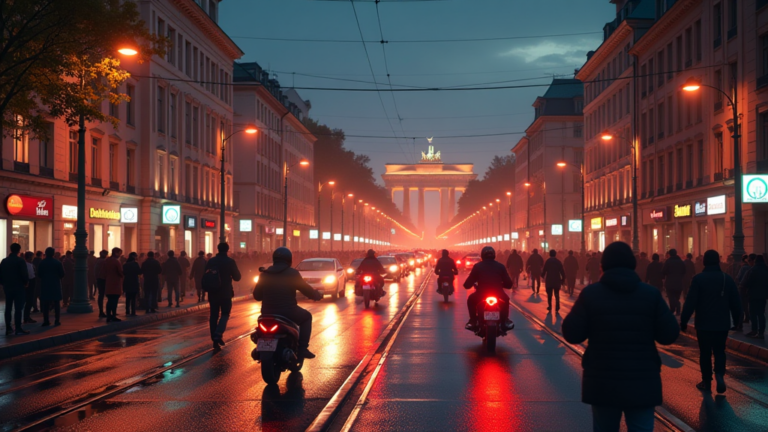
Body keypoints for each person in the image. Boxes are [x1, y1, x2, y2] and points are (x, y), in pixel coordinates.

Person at [562, 241, 679, 432]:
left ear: (602, 266)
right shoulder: (651, 295)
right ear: (633, 266)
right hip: (643, 381)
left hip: (602, 381)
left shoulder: (591, 294)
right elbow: (669, 334)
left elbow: (571, 333)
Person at [681, 250, 742, 394]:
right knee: (720, 351)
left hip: (703, 323)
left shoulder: (698, 279)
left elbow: (690, 302)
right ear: (718, 262)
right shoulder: (727, 279)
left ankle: (706, 381)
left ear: (704, 262)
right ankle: (719, 374)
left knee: (705, 353)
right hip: (722, 323)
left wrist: (684, 321)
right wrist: (737, 320)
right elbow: (736, 302)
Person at [254, 247, 322, 358]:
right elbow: (305, 289)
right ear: (289, 259)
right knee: (306, 317)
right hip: (288, 311)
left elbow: (257, 296)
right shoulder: (292, 273)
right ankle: (303, 348)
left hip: (266, 313)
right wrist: (316, 295)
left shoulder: (264, 274)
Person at [463, 246, 514, 331]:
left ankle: (473, 320)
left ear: (482, 255)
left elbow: (467, 284)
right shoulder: (500, 266)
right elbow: (509, 284)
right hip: (498, 293)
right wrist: (502, 285)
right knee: (506, 300)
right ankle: (505, 321)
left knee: (471, 300)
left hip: (481, 293)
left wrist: (468, 285)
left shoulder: (478, 266)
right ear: (494, 255)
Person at [205, 243, 242, 350]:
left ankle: (214, 340)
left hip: (213, 292)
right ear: (227, 249)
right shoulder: (230, 261)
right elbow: (237, 277)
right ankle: (218, 333)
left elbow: (205, 274)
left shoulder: (211, 261)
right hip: (225, 292)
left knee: (213, 315)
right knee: (225, 314)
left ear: (217, 249)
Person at [1, 243, 31, 335]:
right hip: (19, 287)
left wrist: (4, 284)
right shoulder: (20, 261)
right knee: (18, 308)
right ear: (19, 250)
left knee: (8, 308)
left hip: (8, 287)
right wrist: (26, 283)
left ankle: (8, 328)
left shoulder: (4, 261)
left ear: (10, 250)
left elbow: (1, 274)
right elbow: (24, 274)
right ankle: (18, 328)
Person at [740, 254, 768, 339]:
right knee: (761, 314)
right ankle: (761, 332)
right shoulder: (766, 269)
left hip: (753, 295)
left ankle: (754, 330)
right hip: (763, 295)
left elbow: (747, 282)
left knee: (753, 313)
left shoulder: (753, 270)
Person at [37, 247, 64, 326]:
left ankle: (46, 320)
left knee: (46, 304)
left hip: (45, 284)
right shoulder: (57, 262)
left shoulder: (42, 262)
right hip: (55, 284)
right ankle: (57, 320)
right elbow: (62, 274)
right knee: (56, 303)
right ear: (53, 254)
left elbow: (39, 274)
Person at [662, 249, 687, 316]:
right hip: (679, 282)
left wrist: (664, 278)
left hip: (670, 282)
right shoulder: (681, 262)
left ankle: (673, 309)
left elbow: (664, 272)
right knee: (677, 297)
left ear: (669, 254)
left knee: (671, 297)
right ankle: (677, 310)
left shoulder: (668, 262)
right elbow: (684, 271)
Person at [103, 248, 124, 322]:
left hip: (108, 283)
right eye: (119, 253)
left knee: (109, 301)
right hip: (116, 283)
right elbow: (120, 272)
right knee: (114, 301)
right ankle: (113, 315)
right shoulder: (116, 262)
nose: (120, 255)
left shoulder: (106, 261)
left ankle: (108, 315)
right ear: (116, 253)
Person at [735, 253, 756, 328]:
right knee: (750, 305)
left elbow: (738, 277)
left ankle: (741, 322)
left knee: (742, 305)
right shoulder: (753, 268)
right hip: (752, 289)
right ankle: (748, 318)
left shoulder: (743, 268)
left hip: (743, 288)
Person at [123, 252, 142, 316]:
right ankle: (133, 311)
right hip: (134, 281)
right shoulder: (135, 264)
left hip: (127, 281)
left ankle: (127, 311)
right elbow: (139, 272)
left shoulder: (125, 264)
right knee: (133, 298)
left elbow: (123, 273)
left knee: (128, 297)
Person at [23, 251, 37, 324]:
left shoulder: (28, 264)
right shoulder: (28, 265)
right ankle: (26, 317)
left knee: (29, 301)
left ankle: (27, 317)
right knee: (29, 301)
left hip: (29, 284)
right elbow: (31, 275)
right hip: (30, 284)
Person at [94, 250, 108, 317]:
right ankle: (105, 311)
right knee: (107, 295)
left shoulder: (97, 261)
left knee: (101, 295)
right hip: (104, 279)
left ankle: (101, 311)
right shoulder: (104, 261)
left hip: (99, 279)